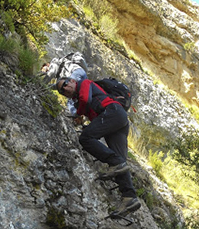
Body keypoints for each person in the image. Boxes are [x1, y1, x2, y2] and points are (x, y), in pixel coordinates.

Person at [57, 76, 141, 218]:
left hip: (113, 111)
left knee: (86, 138)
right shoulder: (80, 101)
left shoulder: (84, 83)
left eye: (65, 84)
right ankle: (129, 197)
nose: (65, 89)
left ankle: (115, 163)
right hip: (118, 118)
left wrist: (79, 114)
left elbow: (85, 99)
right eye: (62, 91)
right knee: (121, 161)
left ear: (72, 81)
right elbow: (94, 114)